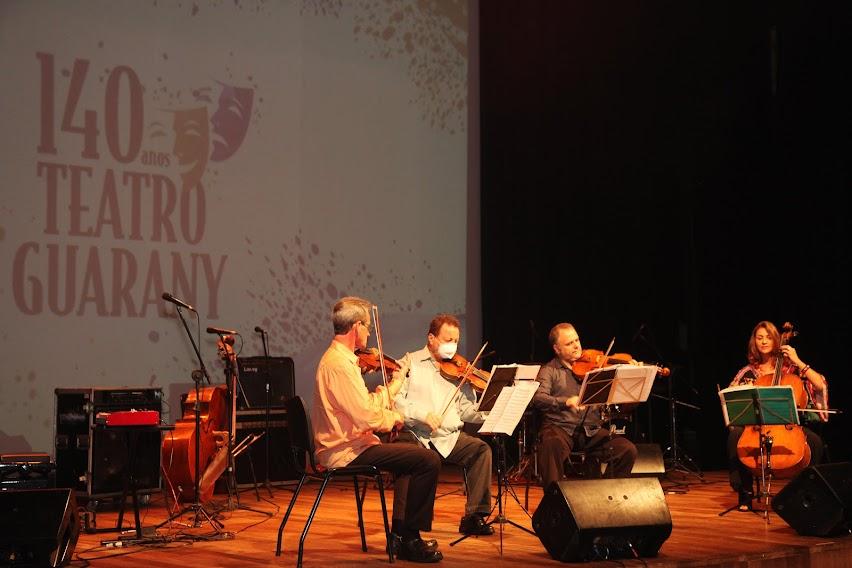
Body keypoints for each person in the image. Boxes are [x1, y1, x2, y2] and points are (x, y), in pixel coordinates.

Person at [312, 296, 443, 562]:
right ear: (356, 326)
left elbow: (363, 407)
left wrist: (391, 398)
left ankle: (400, 537)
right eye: (368, 326)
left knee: (412, 456)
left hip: (353, 444)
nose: (370, 332)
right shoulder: (338, 365)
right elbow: (366, 417)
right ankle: (409, 540)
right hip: (345, 451)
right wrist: (393, 416)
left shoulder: (343, 360)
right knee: (427, 460)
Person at [393, 314, 494, 537]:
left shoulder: (458, 369)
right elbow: (395, 400)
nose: (453, 346)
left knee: (481, 450)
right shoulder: (410, 362)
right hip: (417, 434)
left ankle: (474, 515)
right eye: (448, 340)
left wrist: (492, 411)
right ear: (431, 338)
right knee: (412, 461)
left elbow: (467, 410)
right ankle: (402, 530)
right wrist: (422, 414)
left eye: (456, 341)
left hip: (448, 437)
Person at [726, 320, 829, 511]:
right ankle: (745, 493)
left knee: (815, 442)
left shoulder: (791, 369)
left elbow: (820, 385)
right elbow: (731, 401)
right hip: (756, 427)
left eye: (768, 337)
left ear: (776, 340)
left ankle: (803, 492)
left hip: (786, 425)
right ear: (754, 342)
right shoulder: (748, 371)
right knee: (735, 436)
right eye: (759, 338)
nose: (764, 341)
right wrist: (737, 392)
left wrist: (798, 360)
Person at [531, 323, 638, 489]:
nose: (576, 346)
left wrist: (631, 375)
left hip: (591, 431)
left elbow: (618, 402)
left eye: (577, 340)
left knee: (627, 450)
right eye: (569, 343)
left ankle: (609, 495)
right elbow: (537, 398)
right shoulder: (549, 370)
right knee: (550, 445)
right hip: (560, 428)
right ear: (557, 349)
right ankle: (555, 503)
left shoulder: (594, 369)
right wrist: (565, 402)